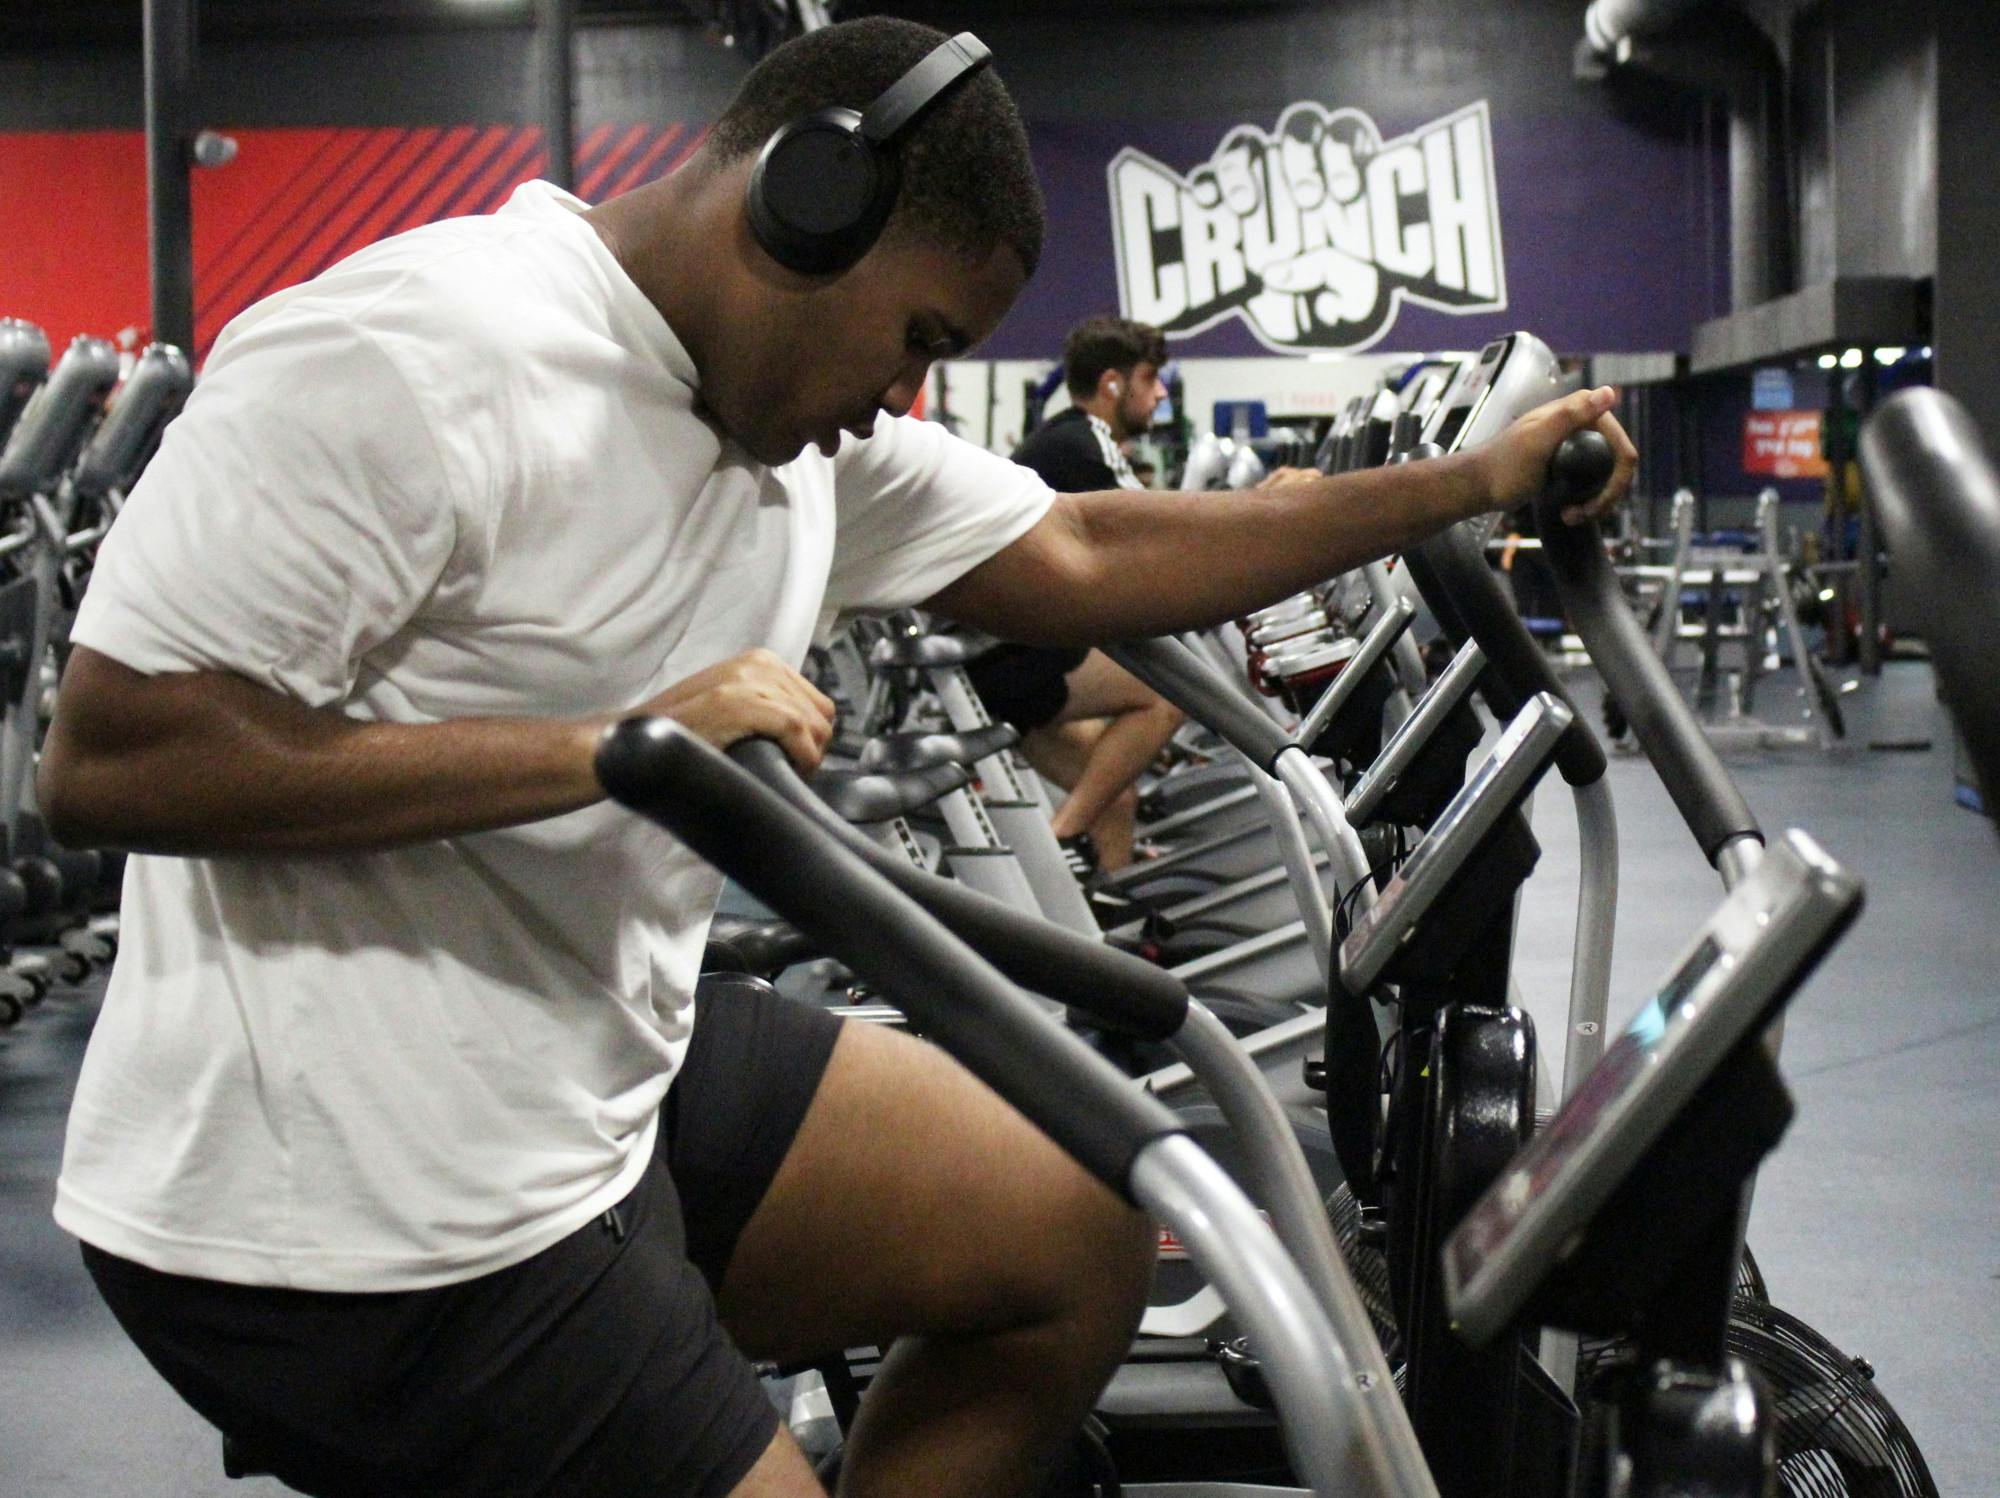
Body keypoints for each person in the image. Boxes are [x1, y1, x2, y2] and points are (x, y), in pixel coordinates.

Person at [39, 18, 1635, 1498]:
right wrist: (615, 751)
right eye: (915, 336)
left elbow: (1087, 548)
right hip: (355, 1207)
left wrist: (1469, 482)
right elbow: (114, 758)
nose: (904, 394)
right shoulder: (411, 355)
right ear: (806, 206)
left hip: (592, 1076)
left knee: (1084, 1217)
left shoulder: (795, 435)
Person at [963, 316, 1186, 873]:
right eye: (1149, 378)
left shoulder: (1070, 438)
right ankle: (1063, 838)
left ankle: (1104, 912)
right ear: (1112, 383)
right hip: (1008, 659)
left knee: (1114, 797)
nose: (1160, 393)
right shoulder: (1082, 443)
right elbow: (1163, 536)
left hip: (1012, 656)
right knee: (1167, 694)